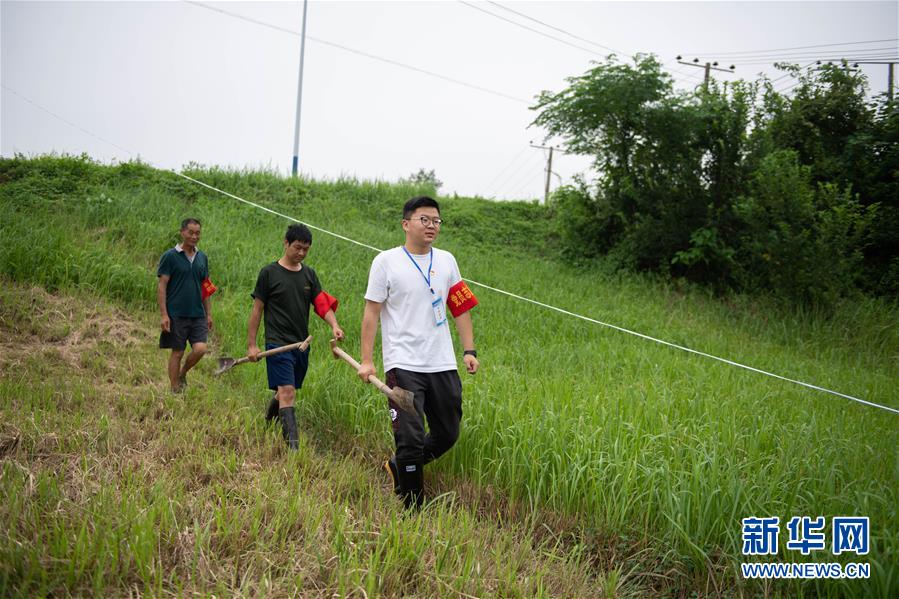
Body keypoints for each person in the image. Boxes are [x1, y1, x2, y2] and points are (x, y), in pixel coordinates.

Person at [358, 196, 480, 509]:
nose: (432, 226)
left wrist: (468, 349)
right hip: (404, 363)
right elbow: (371, 312)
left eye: (436, 221)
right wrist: (367, 360)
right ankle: (412, 508)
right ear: (406, 224)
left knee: (448, 433)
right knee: (410, 438)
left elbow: (460, 306)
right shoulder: (385, 262)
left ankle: (400, 467)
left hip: (441, 363)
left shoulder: (447, 261)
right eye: (424, 219)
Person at [247, 223, 344, 450]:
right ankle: (294, 451)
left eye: (306, 249)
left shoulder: (309, 275)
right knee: (288, 393)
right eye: (297, 247)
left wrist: (334, 325)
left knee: (284, 392)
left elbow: (321, 304)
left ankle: (268, 423)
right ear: (286, 243)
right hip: (277, 344)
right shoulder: (269, 273)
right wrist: (252, 345)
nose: (301, 253)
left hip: (301, 345)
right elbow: (257, 310)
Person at [157, 218, 215, 393]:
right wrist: (164, 315)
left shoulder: (202, 257)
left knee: (200, 349)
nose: (194, 236)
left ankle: (182, 373)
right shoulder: (170, 257)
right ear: (182, 232)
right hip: (176, 314)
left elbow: (206, 287)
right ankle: (175, 389)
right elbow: (162, 286)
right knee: (178, 352)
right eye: (191, 232)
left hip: (198, 314)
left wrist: (209, 314)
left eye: (197, 233)